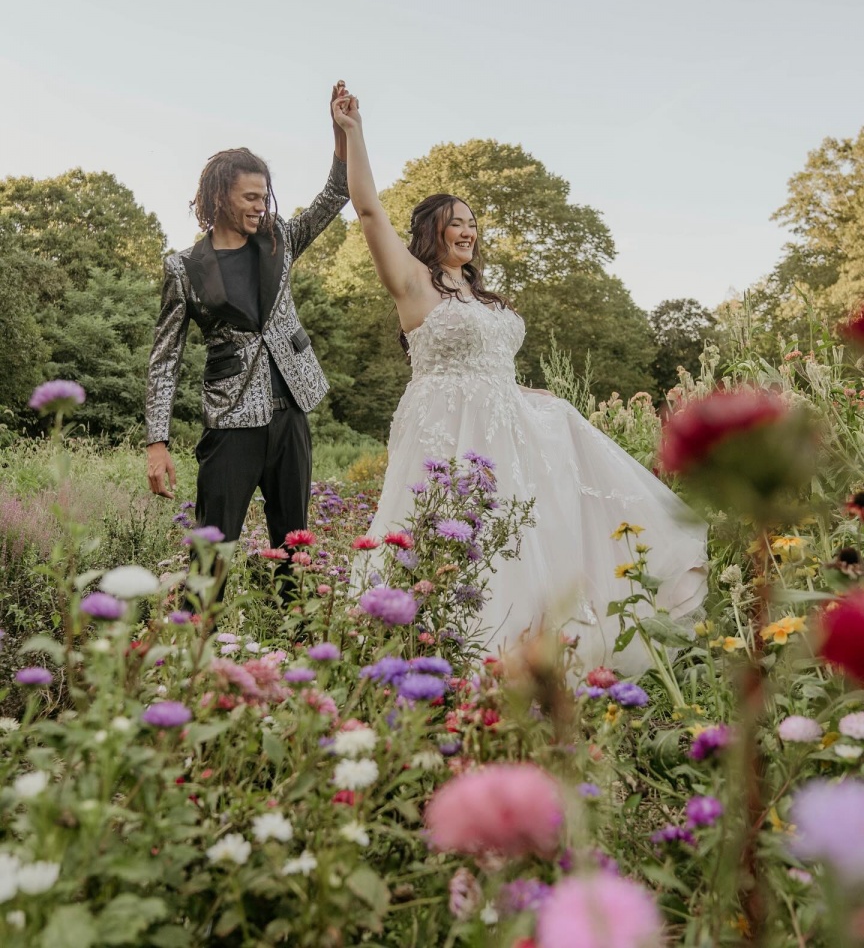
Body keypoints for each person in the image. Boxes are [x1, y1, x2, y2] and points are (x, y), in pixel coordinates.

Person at [331, 93, 707, 673]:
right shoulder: (412, 284)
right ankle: (441, 650)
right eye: (454, 221)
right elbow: (369, 211)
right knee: (443, 525)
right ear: (431, 231)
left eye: (473, 223)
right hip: (446, 427)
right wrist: (352, 133)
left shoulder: (481, 296)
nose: (468, 230)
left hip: (506, 423)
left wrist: (532, 395)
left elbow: (491, 368)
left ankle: (533, 650)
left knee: (524, 528)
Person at [145, 82, 352, 605]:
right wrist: (157, 441)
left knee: (295, 556)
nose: (262, 206)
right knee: (209, 560)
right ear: (220, 197)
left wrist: (340, 133)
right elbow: (164, 359)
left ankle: (298, 663)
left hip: (292, 417)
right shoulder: (183, 268)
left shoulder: (280, 240)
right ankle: (197, 665)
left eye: (265, 196)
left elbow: (335, 195)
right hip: (230, 425)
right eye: (251, 197)